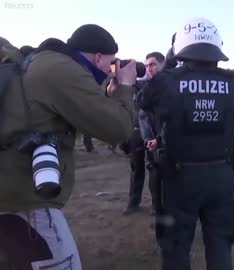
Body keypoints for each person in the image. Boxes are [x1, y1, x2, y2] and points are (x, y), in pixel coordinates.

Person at [0, 24, 136, 270]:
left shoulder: (41, 62)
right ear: (97, 57)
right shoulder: (63, 70)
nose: (111, 70)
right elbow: (118, 129)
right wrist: (125, 88)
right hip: (29, 205)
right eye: (111, 63)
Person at [140, 17, 234, 270]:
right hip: (223, 178)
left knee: (175, 248)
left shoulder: (166, 82)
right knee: (220, 245)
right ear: (217, 46)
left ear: (181, 48)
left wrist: (171, 61)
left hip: (178, 178)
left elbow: (143, 100)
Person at [123, 51, 165, 215]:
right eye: (146, 65)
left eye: (153, 64)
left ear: (162, 64)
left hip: (154, 132)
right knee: (136, 168)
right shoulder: (140, 85)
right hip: (136, 132)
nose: (149, 68)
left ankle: (156, 206)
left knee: (155, 169)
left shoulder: (165, 86)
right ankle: (133, 203)